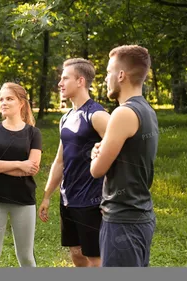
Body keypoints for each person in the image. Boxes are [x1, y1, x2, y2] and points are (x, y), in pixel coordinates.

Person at [38, 58, 110, 267]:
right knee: (76, 254)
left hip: (92, 200)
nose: (60, 83)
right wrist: (47, 196)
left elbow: (121, 155)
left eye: (64, 78)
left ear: (80, 81)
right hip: (68, 199)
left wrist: (111, 196)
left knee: (95, 258)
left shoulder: (97, 115)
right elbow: (60, 161)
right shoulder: (66, 117)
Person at [90, 45, 158, 267]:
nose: (106, 79)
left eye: (109, 72)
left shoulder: (123, 113)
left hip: (123, 221)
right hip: (139, 216)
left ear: (121, 75)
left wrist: (95, 154)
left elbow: (97, 170)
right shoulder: (147, 111)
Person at [0, 82, 42, 267]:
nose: (3, 103)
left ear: (21, 103)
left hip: (23, 199)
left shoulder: (33, 133)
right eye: (1, 99)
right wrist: (19, 165)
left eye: (9, 98)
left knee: (26, 257)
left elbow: (32, 168)